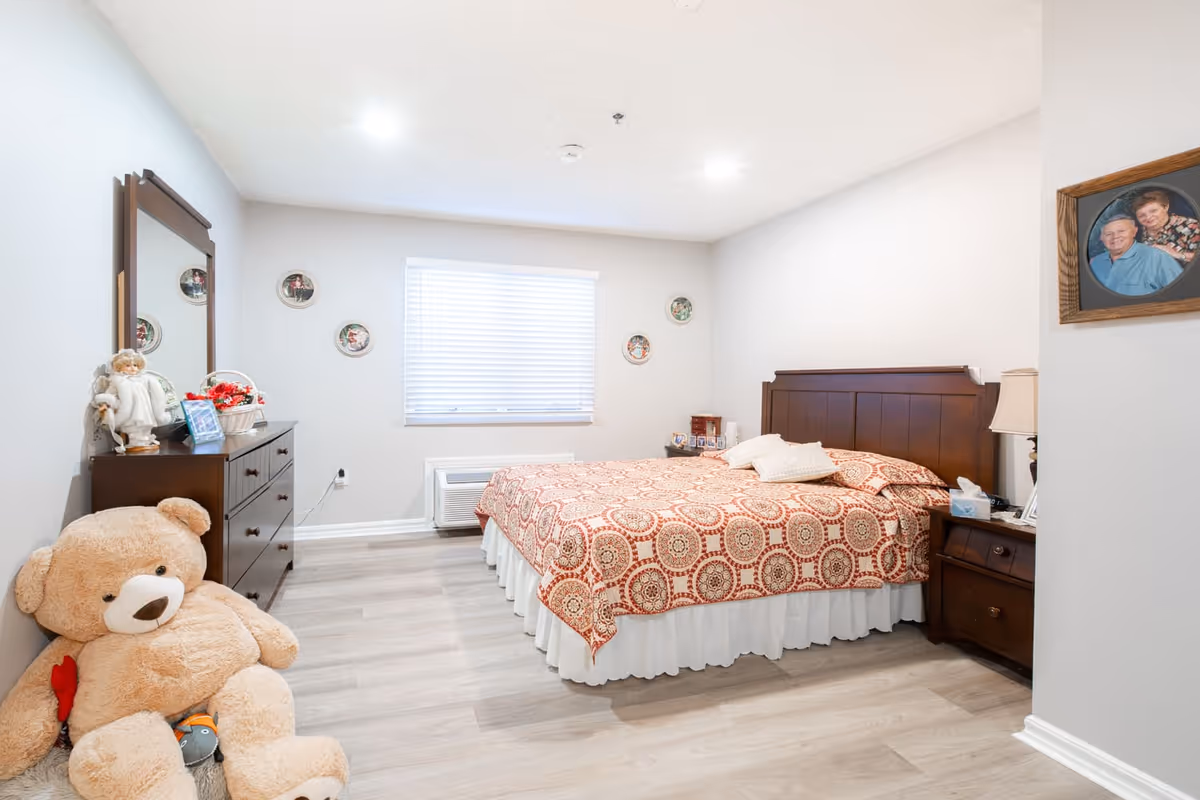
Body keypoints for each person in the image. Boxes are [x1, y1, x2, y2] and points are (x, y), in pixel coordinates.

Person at [1089, 215, 1183, 296]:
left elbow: (1181, 292)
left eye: (1121, 231)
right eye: (1108, 234)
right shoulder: (1095, 262)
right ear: (1101, 237)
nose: (1115, 237)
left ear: (1134, 231)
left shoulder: (1157, 257)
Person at [1131, 190, 1200, 264]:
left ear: (1166, 207)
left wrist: (1176, 254)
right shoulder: (1137, 232)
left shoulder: (1191, 226)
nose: (1148, 217)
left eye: (1153, 211)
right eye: (1141, 215)